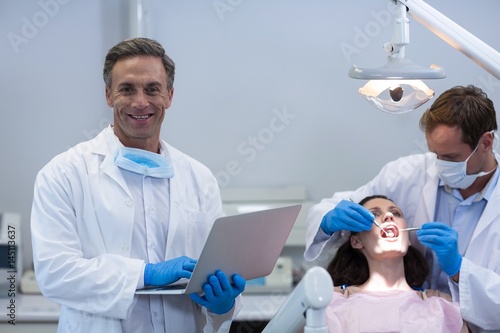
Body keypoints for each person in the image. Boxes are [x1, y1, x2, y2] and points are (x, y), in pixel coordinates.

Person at [31, 37, 245, 333]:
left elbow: (215, 269)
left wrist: (224, 305)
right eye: (127, 89)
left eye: (153, 89)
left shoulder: (200, 178)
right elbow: (55, 273)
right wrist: (144, 274)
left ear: (169, 96)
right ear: (108, 95)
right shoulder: (63, 174)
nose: (141, 102)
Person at [305, 85, 500, 332]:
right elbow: (334, 206)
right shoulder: (407, 175)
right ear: (356, 242)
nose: (440, 165)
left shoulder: (440, 308)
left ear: (485, 142)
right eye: (435, 154)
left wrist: (460, 270)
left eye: (450, 158)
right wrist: (328, 221)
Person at [325, 195, 467, 333]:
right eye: (374, 214)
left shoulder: (442, 306)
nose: (389, 216)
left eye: (396, 213)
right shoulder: (332, 301)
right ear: (356, 242)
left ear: (408, 240)